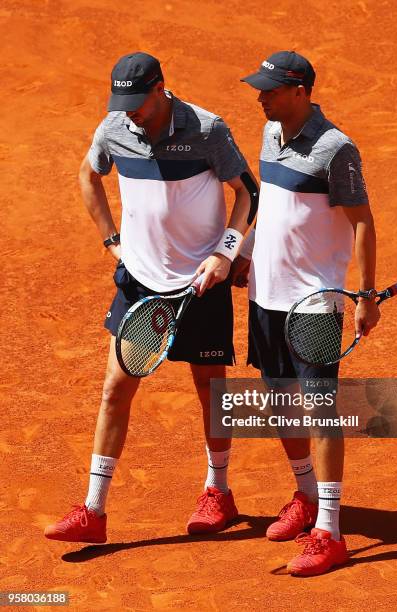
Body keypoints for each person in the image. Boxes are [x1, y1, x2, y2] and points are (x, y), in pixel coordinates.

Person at [45, 52, 258, 543]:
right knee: (115, 389)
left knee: (210, 391)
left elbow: (249, 192)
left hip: (199, 281)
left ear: (161, 89)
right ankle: (94, 510)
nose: (130, 111)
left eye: (137, 101)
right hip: (139, 281)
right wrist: (111, 240)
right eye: (122, 102)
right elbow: (88, 174)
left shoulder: (207, 129)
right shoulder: (115, 126)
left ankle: (218, 492)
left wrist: (226, 254)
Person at [234, 51, 380, 576]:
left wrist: (364, 295)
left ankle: (330, 530)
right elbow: (270, 207)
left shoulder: (336, 149)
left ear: (300, 91)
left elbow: (363, 223)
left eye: (269, 90)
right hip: (265, 295)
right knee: (279, 401)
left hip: (314, 304)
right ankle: (305, 494)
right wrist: (244, 254)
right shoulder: (271, 134)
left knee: (320, 412)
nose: (260, 97)